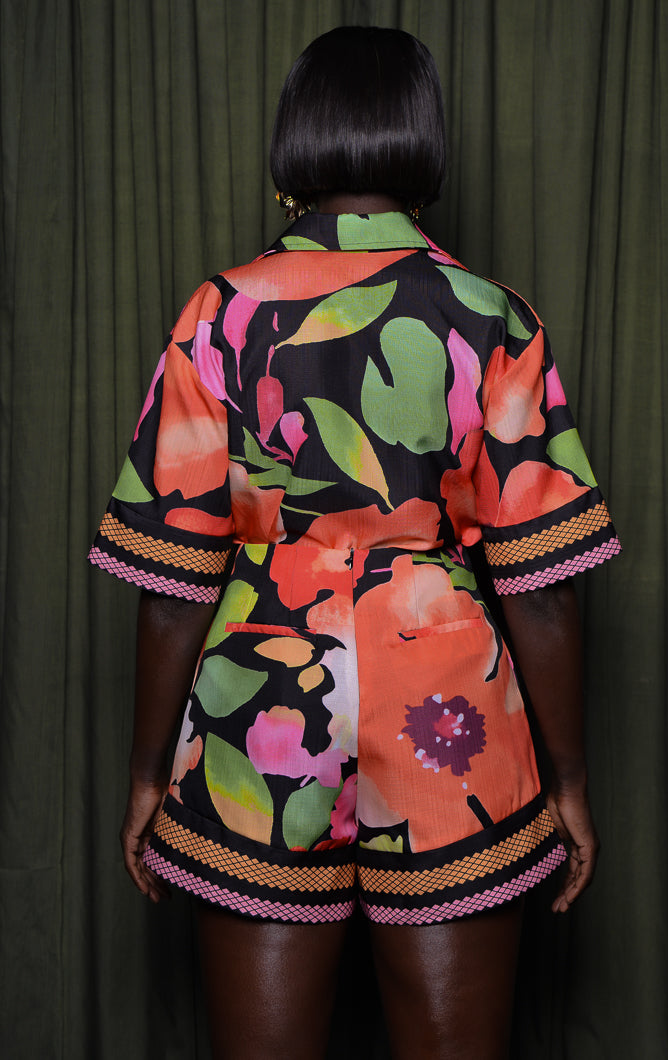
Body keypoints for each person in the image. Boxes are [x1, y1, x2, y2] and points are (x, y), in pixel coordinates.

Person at [89, 25, 621, 1060]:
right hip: (446, 701)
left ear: (297, 137)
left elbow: (173, 579)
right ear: (423, 140)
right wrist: (567, 781)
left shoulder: (218, 314)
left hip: (261, 697)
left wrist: (148, 770)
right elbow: (541, 584)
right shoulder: (493, 318)